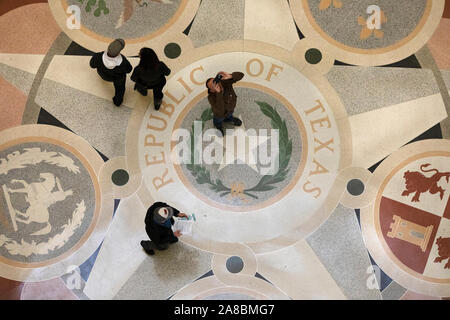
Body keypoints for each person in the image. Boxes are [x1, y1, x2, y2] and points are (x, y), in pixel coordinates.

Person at [89, 38, 132, 107]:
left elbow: (92, 65)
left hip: (103, 75)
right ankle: (118, 102)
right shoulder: (123, 62)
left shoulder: (97, 56)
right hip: (117, 79)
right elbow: (129, 70)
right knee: (120, 88)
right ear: (119, 52)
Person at [206, 71, 244, 136]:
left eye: (215, 81)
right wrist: (219, 93)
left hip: (230, 110)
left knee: (230, 116)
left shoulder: (226, 83)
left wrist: (231, 76)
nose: (216, 84)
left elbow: (241, 75)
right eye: (213, 85)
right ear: (211, 90)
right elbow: (220, 110)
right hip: (220, 116)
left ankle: (229, 119)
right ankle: (218, 125)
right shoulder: (211, 97)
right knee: (218, 121)